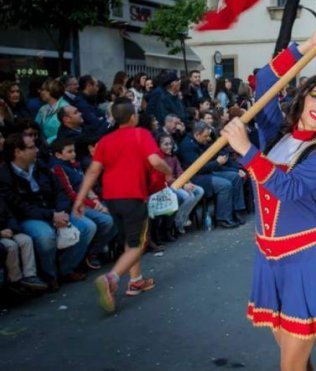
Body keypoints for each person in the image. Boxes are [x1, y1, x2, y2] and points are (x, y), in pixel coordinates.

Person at [221, 22, 316, 371]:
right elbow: (265, 80)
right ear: (303, 95)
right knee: (297, 363)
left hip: (304, 261)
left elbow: (289, 188)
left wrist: (246, 150)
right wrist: (307, 45)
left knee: (291, 367)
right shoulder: (274, 132)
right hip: (268, 260)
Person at [73, 97, 173, 313]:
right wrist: (168, 171)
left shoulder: (105, 141)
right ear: (133, 117)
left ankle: (136, 281)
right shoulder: (141, 134)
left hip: (112, 198)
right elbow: (155, 161)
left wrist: (80, 199)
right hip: (133, 196)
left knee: (130, 240)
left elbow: (93, 170)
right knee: (138, 244)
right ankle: (111, 278)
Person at [0, 133, 95, 291]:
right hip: (29, 217)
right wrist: (51, 216)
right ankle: (50, 275)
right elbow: (20, 206)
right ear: (18, 152)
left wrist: (60, 212)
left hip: (55, 210)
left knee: (87, 227)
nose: (37, 150)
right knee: (46, 237)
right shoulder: (5, 176)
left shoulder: (40, 165)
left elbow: (59, 190)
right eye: (31, 147)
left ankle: (66, 269)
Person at [51, 138, 116, 269]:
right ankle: (71, 265)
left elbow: (86, 185)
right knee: (97, 224)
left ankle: (93, 252)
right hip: (73, 206)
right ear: (58, 155)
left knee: (115, 217)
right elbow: (70, 193)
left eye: (73, 151)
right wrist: (94, 205)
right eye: (69, 152)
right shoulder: (59, 168)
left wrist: (95, 200)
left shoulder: (75, 165)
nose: (73, 154)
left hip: (85, 202)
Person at [157, 133, 204, 234]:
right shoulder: (158, 159)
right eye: (166, 144)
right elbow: (167, 178)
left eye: (170, 144)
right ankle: (178, 222)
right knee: (188, 196)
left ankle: (182, 217)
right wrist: (183, 185)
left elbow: (180, 171)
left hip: (179, 182)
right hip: (166, 185)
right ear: (159, 146)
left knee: (199, 190)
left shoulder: (173, 157)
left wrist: (187, 182)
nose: (169, 146)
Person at [0, 197, 48, 292]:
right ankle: (15, 280)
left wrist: (11, 229)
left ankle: (30, 276)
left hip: (8, 231)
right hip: (1, 235)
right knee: (11, 245)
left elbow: (10, 216)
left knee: (26, 240)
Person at [35, 78, 69, 144]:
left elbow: (68, 130)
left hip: (60, 145)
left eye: (43, 90)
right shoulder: (42, 109)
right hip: (45, 146)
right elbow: (36, 127)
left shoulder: (66, 107)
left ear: (51, 91)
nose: (40, 92)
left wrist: (48, 141)